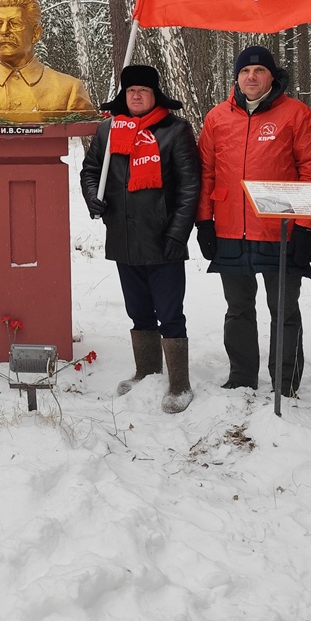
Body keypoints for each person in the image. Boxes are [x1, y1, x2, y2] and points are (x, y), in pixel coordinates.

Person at [195, 45, 311, 396]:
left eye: (259, 71)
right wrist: (203, 222)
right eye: (244, 72)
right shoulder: (217, 117)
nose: (251, 77)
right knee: (238, 309)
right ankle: (241, 375)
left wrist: (306, 228)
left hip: (280, 229)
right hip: (229, 229)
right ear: (236, 77)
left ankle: (285, 382)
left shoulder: (296, 114)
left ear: (272, 76)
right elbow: (206, 173)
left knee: (283, 309)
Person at [79, 65, 201, 413]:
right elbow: (91, 172)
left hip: (163, 239)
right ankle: (146, 371)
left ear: (154, 95)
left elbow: (190, 186)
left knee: (170, 314)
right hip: (123, 237)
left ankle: (179, 384)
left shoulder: (175, 131)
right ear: (124, 94)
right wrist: (93, 196)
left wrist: (179, 232)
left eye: (143, 91)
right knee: (138, 312)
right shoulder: (108, 130)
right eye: (130, 90)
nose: (136, 95)